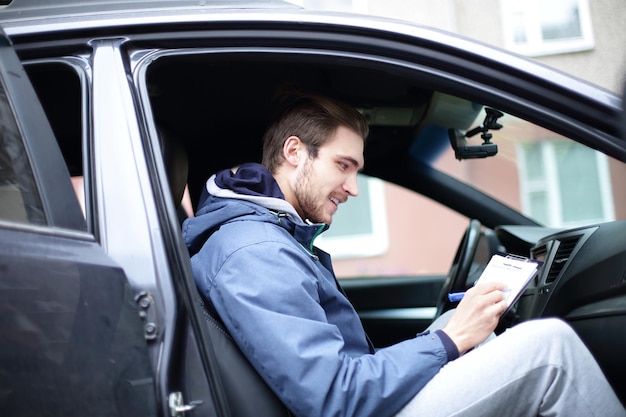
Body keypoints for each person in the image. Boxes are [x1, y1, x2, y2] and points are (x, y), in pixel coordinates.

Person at [182, 93, 625, 417]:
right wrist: (447, 341)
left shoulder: (271, 238)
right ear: (295, 151)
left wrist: (451, 332)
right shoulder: (254, 251)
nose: (353, 188)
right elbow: (336, 399)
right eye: (343, 166)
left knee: (481, 336)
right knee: (550, 348)